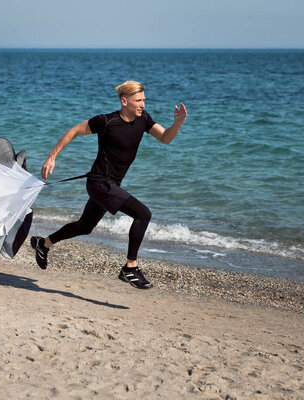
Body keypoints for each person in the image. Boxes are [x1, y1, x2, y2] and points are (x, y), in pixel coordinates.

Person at [30, 81, 187, 289]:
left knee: (84, 227)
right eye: (138, 101)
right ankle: (130, 268)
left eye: (144, 100)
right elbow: (75, 130)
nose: (143, 105)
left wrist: (177, 123)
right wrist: (52, 157)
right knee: (143, 214)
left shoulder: (144, 119)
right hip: (99, 183)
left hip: (111, 185)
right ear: (124, 101)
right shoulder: (106, 121)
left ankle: (44, 244)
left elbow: (166, 138)